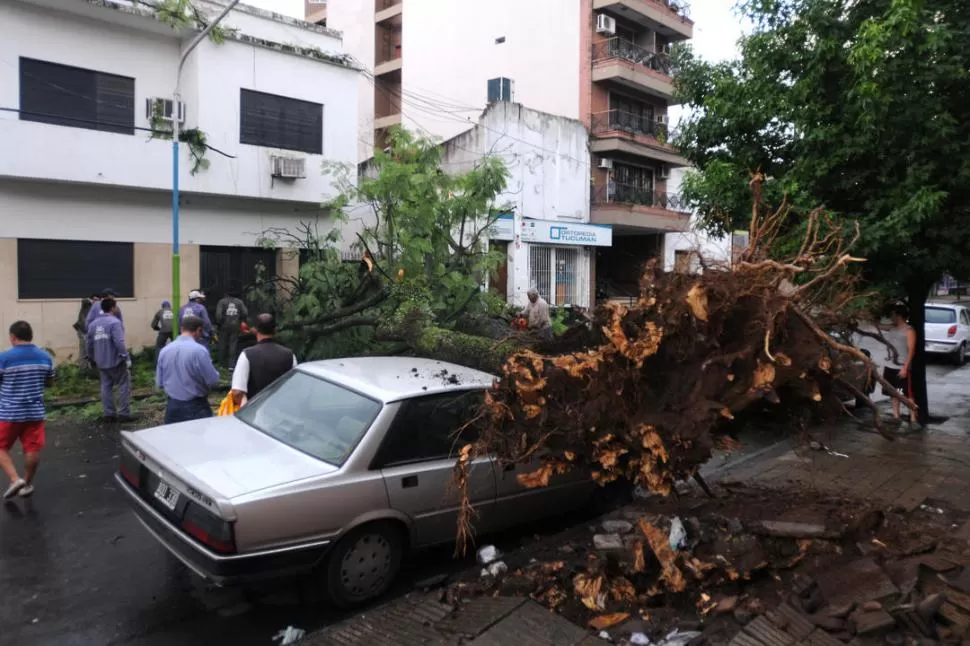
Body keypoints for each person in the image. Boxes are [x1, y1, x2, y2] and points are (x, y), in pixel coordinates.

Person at [0, 321, 54, 499]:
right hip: (34, 412)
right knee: (32, 449)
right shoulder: (45, 357)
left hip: (9, 412)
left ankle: (15, 479)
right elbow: (49, 382)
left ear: (13, 337)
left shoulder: (4, 358)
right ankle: (27, 484)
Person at [156, 316, 221, 424]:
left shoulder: (164, 350)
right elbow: (213, 380)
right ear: (199, 330)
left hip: (172, 406)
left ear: (181, 329)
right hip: (196, 407)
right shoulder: (199, 351)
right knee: (198, 438)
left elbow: (160, 382)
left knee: (173, 439)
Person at [231, 314, 297, 407]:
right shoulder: (290, 355)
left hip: (255, 414)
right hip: (282, 411)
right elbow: (294, 388)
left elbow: (237, 392)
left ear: (255, 330)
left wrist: (247, 410)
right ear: (275, 330)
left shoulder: (247, 354)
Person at [86, 298, 133, 422]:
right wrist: (125, 357)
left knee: (106, 387)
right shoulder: (114, 322)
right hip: (116, 361)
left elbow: (89, 344)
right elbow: (119, 341)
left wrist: (91, 358)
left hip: (101, 362)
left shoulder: (93, 324)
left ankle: (109, 414)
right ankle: (124, 414)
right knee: (123, 385)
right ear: (112, 308)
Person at [882, 303, 918, 425]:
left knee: (907, 394)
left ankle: (913, 419)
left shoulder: (909, 331)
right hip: (890, 366)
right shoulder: (892, 328)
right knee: (893, 393)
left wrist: (905, 368)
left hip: (901, 367)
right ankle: (896, 417)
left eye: (893, 315)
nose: (891, 317)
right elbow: (878, 326)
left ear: (899, 316)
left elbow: (911, 350)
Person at [215, 289, 248, 369]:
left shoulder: (222, 302)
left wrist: (219, 323)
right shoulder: (239, 302)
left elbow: (218, 316)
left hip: (224, 326)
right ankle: (231, 365)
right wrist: (240, 319)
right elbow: (245, 313)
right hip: (235, 325)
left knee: (222, 344)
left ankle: (221, 365)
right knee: (233, 344)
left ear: (226, 294)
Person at [73, 293, 99, 369]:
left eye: (98, 301)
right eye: (95, 300)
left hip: (88, 331)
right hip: (83, 331)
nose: (96, 302)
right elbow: (84, 300)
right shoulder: (87, 304)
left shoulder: (96, 308)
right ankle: (83, 369)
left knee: (90, 350)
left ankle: (90, 367)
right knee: (84, 350)